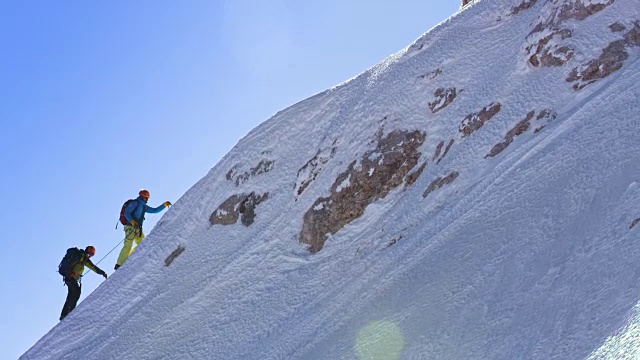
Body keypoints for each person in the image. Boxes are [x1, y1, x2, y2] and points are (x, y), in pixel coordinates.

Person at [115, 189, 171, 270]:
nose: (146, 199)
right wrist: (132, 221)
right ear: (141, 196)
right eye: (145, 197)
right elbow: (126, 213)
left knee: (143, 243)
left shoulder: (144, 206)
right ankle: (119, 264)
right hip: (130, 227)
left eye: (147, 198)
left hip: (137, 228)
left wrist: (163, 205)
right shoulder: (135, 203)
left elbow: (154, 210)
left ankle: (130, 257)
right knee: (128, 244)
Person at [59, 246, 107, 320]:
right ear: (87, 251)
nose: (90, 256)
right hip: (70, 278)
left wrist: (102, 272)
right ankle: (67, 313)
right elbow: (68, 266)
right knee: (75, 292)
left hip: (72, 278)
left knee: (73, 294)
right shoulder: (78, 256)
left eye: (92, 254)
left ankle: (65, 314)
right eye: (90, 253)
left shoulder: (84, 259)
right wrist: (68, 276)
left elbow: (93, 267)